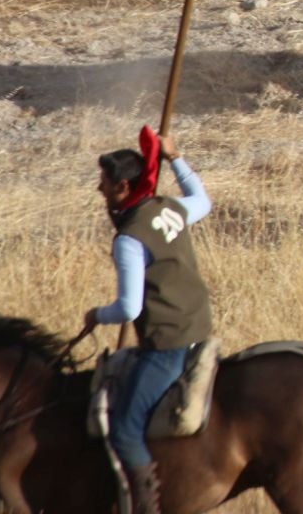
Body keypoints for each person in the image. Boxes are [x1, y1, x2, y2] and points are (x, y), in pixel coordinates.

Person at [81, 128, 213, 514]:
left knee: (123, 431)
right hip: (198, 325)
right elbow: (202, 200)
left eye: (104, 182)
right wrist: (175, 157)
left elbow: (129, 309)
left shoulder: (129, 239)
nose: (98, 188)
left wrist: (96, 315)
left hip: (168, 345)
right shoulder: (169, 207)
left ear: (123, 186)